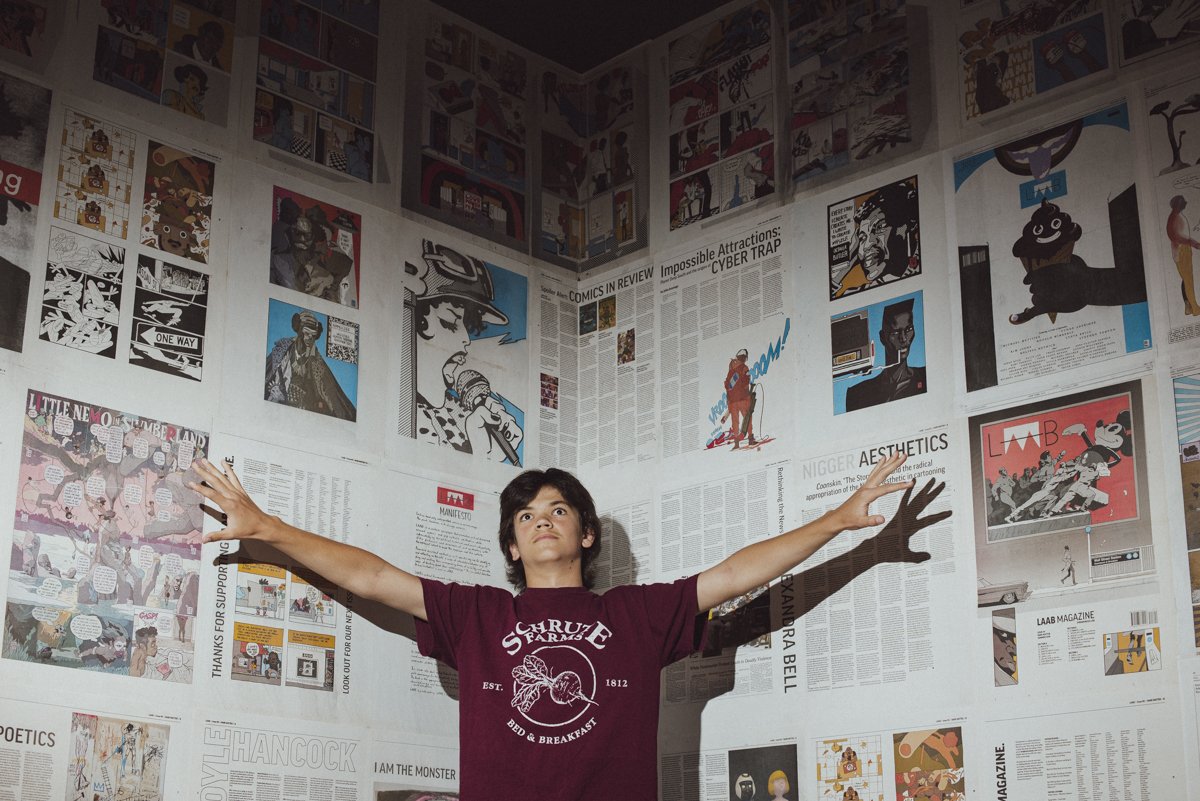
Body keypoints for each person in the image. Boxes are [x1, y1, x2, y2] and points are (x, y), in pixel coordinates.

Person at [191, 452, 946, 801]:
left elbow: (738, 572)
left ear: (585, 533)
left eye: (557, 509)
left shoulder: (636, 614)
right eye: (525, 515)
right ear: (512, 547)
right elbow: (371, 575)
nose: (541, 520)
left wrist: (844, 524)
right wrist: (267, 526)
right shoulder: (479, 614)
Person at [844, 298, 926, 412]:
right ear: (882, 338)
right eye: (896, 332)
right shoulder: (857, 394)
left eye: (909, 329)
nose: (903, 339)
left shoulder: (926, 376)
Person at [1168, 195, 1200, 316]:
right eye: (1183, 203)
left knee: (1186, 280)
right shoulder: (1175, 218)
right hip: (1182, 251)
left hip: (1181, 250)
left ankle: (1189, 307)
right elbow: (1177, 237)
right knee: (1188, 280)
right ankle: (1195, 309)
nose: (1185, 204)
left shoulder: (1176, 216)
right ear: (1178, 204)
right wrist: (1195, 244)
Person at [723, 348, 757, 448]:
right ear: (744, 358)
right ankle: (750, 439)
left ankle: (736, 443)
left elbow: (727, 386)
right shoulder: (744, 368)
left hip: (732, 402)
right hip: (743, 399)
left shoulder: (730, 370)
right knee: (748, 417)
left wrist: (729, 401)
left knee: (735, 422)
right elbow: (746, 382)